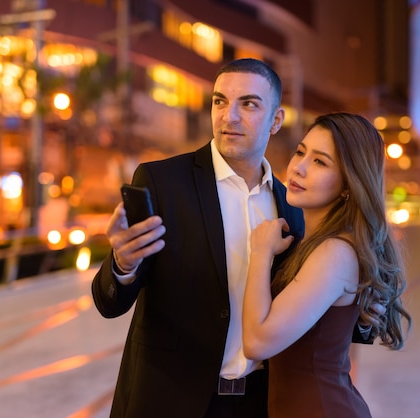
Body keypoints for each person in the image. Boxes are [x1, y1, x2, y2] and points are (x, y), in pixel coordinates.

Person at [91, 59, 375, 418]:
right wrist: (122, 264)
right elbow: (109, 303)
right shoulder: (164, 182)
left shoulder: (296, 208)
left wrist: (363, 312)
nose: (230, 117)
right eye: (220, 101)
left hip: (260, 404)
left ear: (276, 120)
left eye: (249, 104)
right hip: (169, 402)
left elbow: (314, 320)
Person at [242, 112, 412, 418]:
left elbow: (257, 343)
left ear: (349, 183)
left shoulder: (335, 252)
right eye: (301, 152)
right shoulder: (314, 242)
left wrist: (261, 253)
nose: (299, 168)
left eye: (320, 162)